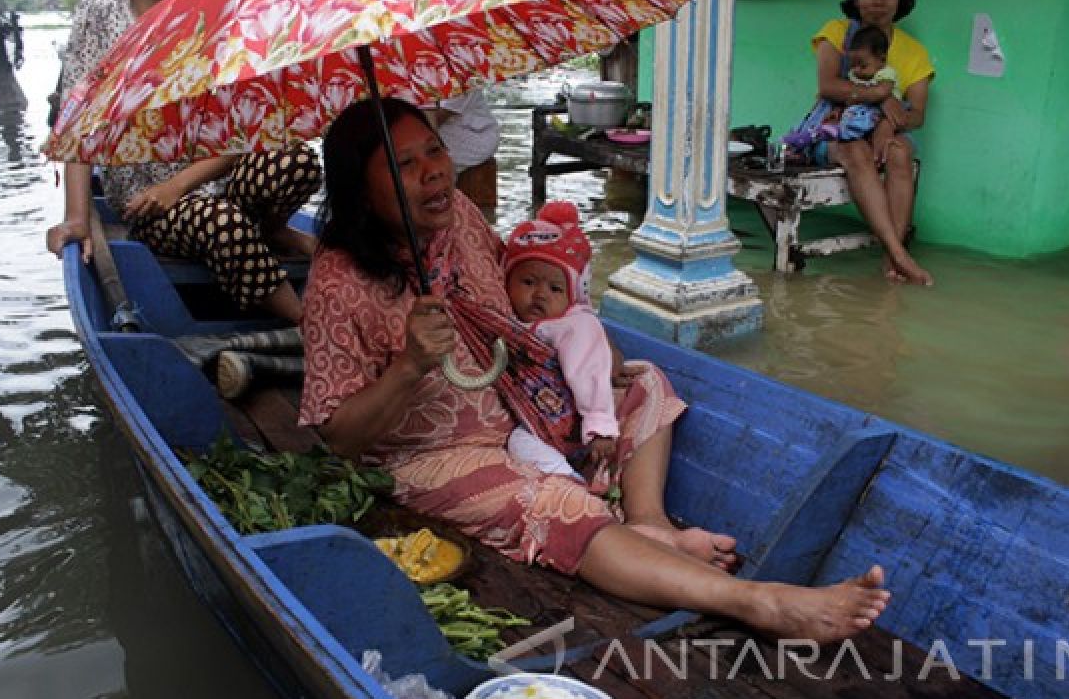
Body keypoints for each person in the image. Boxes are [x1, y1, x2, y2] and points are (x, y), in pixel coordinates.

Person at [299, 96, 892, 644]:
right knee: (558, 506)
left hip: (519, 402)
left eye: (434, 149)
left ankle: (649, 523)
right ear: (360, 191)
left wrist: (582, 331)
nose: (433, 171)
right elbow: (338, 438)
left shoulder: (454, 213)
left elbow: (521, 294)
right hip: (433, 456)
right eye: (404, 164)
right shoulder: (338, 282)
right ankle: (758, 602)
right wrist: (409, 367)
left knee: (640, 383)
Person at [45, 0, 321, 323]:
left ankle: (272, 230)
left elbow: (242, 134)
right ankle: (309, 326)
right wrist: (76, 217)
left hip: (207, 184)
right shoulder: (101, 17)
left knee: (297, 160)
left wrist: (178, 185)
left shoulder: (208, 24)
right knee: (221, 222)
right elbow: (79, 123)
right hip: (149, 204)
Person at [810, 0, 935, 286]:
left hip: (886, 131)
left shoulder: (914, 53)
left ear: (901, 0)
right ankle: (900, 254)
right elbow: (828, 87)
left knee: (899, 153)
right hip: (837, 125)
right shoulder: (836, 33)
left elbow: (917, 114)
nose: (878, 1)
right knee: (855, 152)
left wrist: (887, 123)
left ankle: (890, 261)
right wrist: (880, 96)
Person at [503, 202, 616, 482]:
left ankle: (585, 482)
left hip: (579, 425)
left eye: (555, 288)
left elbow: (591, 373)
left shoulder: (577, 325)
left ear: (573, 293)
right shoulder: (503, 318)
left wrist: (599, 425)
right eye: (528, 282)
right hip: (534, 424)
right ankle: (569, 481)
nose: (540, 294)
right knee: (517, 443)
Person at [785, 24, 898, 149]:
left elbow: (881, 92)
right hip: (855, 109)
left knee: (860, 119)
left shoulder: (886, 73)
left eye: (863, 66)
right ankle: (806, 137)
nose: (857, 70)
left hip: (876, 111)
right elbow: (845, 96)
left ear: (882, 59)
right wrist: (838, 109)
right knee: (830, 112)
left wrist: (855, 95)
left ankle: (827, 133)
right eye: (853, 65)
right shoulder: (855, 74)